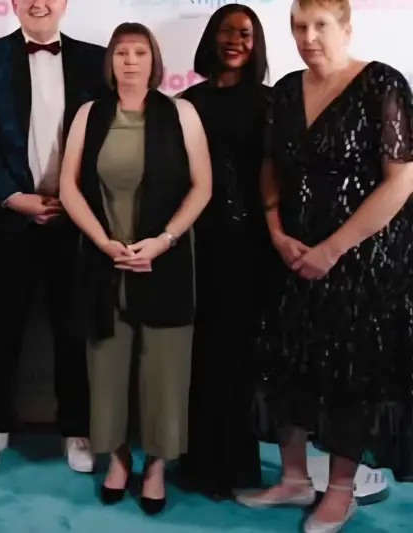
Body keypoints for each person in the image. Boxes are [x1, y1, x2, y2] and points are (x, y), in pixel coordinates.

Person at [234, 1, 413, 532]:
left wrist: (332, 250)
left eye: (320, 26)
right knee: (284, 360)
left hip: (363, 261)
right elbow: (270, 167)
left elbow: (401, 181)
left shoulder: (383, 83)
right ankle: (293, 479)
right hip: (291, 254)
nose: (308, 37)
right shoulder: (287, 90)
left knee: (349, 373)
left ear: (346, 27)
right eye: (298, 26)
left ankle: (340, 492)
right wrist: (275, 232)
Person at [59, 22, 211, 513]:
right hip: (104, 259)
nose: (130, 60)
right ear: (110, 61)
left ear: (154, 60)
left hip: (165, 259)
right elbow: (68, 187)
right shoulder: (89, 114)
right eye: (121, 52)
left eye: (139, 52)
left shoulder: (182, 113)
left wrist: (163, 242)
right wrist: (103, 242)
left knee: (165, 369)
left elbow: (202, 186)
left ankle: (158, 467)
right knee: (105, 366)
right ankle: (119, 459)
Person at [0, 0, 106, 472]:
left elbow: (106, 137)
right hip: (12, 216)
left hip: (75, 217)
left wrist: (76, 199)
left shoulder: (95, 58)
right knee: (2, 327)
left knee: (72, 329)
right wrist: (11, 196)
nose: (38, 3)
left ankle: (76, 429)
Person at [177, 4, 272, 500]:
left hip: (253, 247)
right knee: (199, 352)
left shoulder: (273, 102)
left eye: (246, 33)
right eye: (226, 31)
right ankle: (199, 460)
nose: (235, 40)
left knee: (238, 354)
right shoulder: (187, 102)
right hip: (196, 242)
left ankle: (236, 464)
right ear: (211, 38)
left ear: (257, 45)